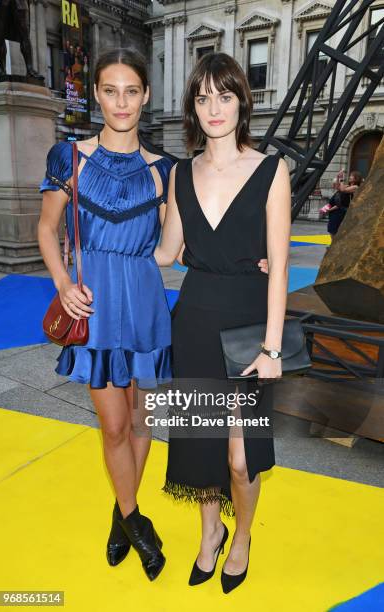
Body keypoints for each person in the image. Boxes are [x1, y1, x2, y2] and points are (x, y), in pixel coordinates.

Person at [154, 52, 291, 593]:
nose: (214, 107)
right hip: (192, 323)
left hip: (251, 330)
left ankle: (242, 538)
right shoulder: (179, 174)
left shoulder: (270, 170)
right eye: (203, 96)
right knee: (203, 444)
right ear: (192, 105)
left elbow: (279, 264)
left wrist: (274, 347)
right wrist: (102, 237)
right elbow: (166, 252)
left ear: (242, 101)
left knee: (240, 457)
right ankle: (210, 534)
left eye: (225, 95)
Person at [38, 47, 176, 581]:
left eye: (132, 91)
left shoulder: (165, 170)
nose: (122, 101)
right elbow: (47, 229)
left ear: (145, 96)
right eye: (111, 90)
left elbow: (174, 249)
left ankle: (122, 518)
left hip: (145, 302)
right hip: (94, 305)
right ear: (96, 93)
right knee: (114, 425)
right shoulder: (67, 157)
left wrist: (250, 257)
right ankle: (138, 523)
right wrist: (63, 282)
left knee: (142, 420)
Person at [327, 169, 362, 242]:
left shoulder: (356, 187)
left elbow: (343, 190)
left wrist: (342, 179)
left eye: (352, 176)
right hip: (339, 210)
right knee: (332, 228)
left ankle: (334, 244)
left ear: (356, 178)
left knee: (334, 228)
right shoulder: (348, 185)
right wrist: (338, 177)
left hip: (343, 210)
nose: (350, 177)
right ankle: (333, 243)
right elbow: (337, 187)